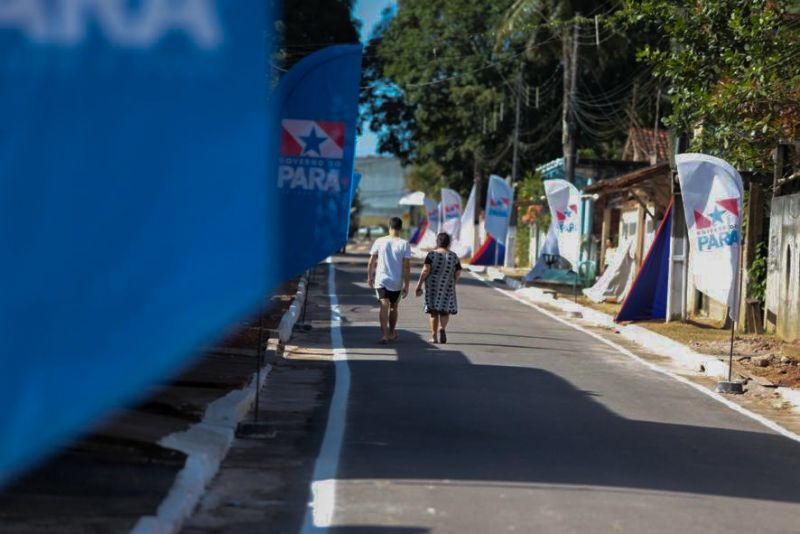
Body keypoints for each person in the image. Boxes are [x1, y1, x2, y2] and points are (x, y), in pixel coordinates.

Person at [368, 217, 412, 344]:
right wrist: (407, 285)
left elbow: (371, 261)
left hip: (381, 279)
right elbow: (407, 266)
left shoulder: (380, 241)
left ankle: (384, 335)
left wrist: (370, 276)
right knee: (393, 307)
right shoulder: (404, 243)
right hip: (396, 281)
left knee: (383, 306)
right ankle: (392, 332)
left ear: (389, 227)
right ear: (401, 228)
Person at [415, 232, 462, 344]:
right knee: (445, 311)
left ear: (437, 242)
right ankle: (443, 328)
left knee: (433, 312)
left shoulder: (431, 255)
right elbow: (458, 272)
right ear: (448, 243)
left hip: (432, 286)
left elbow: (425, 270)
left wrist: (419, 285)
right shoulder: (454, 256)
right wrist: (453, 282)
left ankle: (434, 336)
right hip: (447, 285)